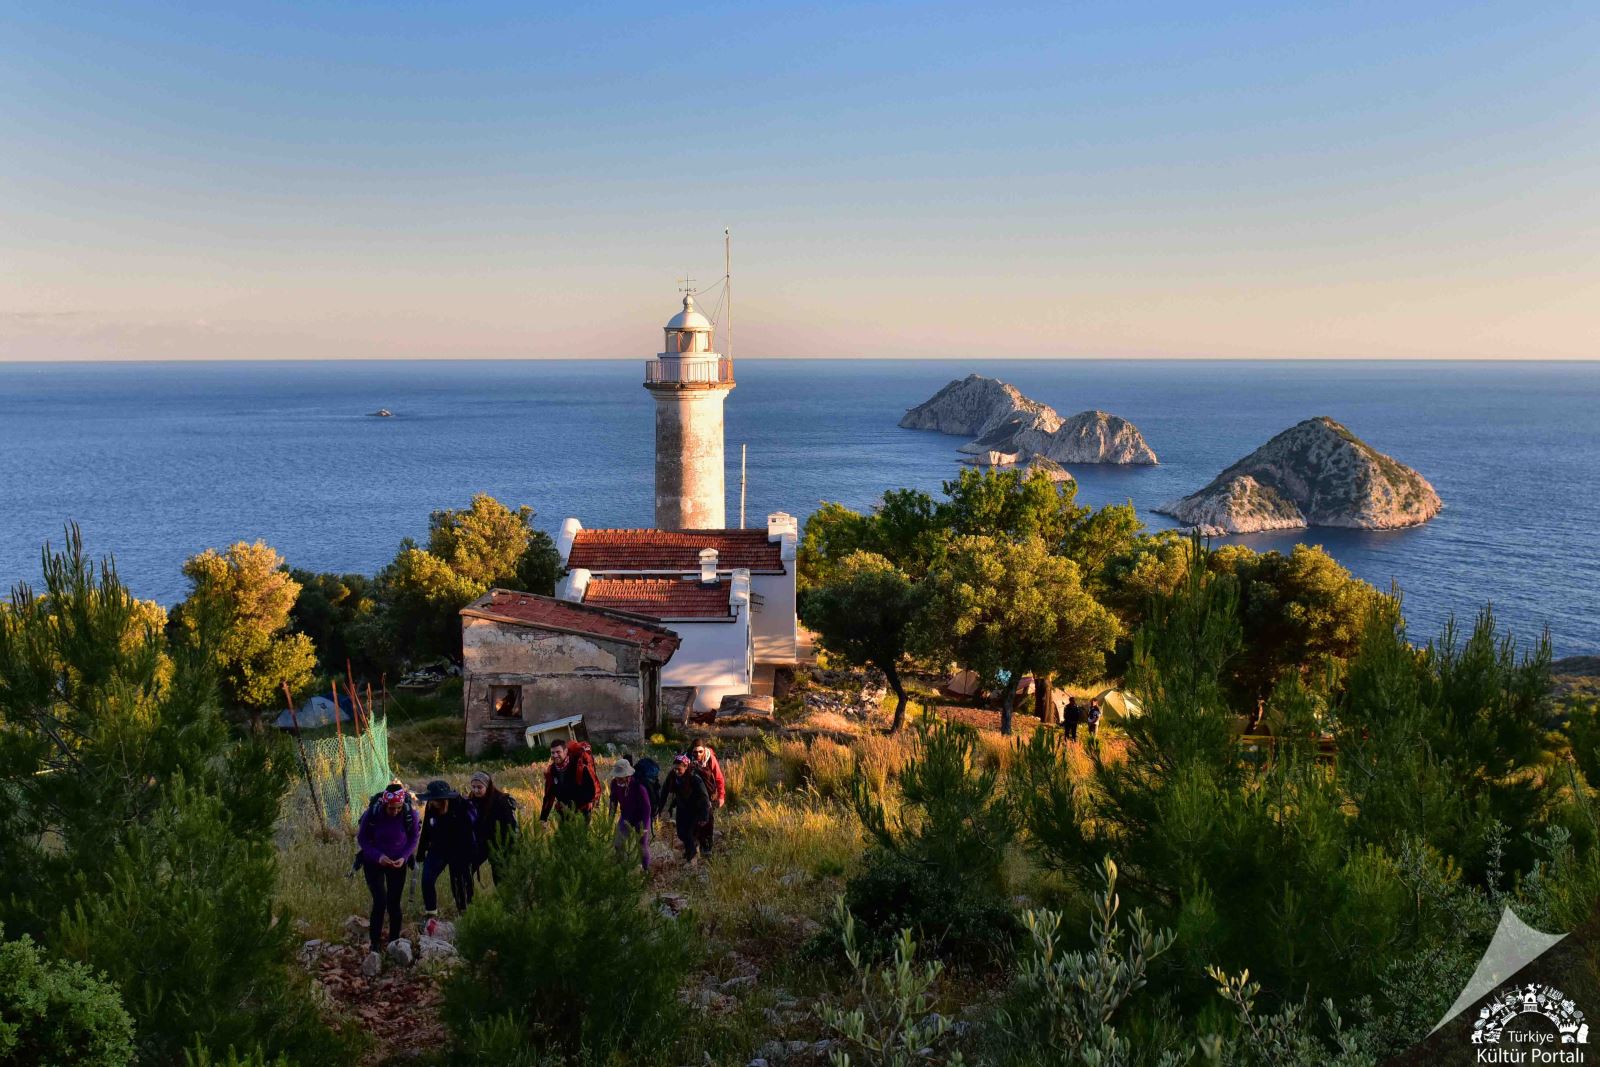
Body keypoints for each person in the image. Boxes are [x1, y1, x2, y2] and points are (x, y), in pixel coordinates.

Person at [356, 785, 420, 956]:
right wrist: (378, 856)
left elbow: (414, 837)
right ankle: (375, 943)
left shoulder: (409, 814)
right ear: (385, 804)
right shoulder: (373, 814)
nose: (395, 811)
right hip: (374, 862)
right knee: (380, 902)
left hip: (398, 863)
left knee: (394, 903)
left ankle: (394, 941)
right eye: (392, 808)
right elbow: (362, 838)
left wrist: (405, 856)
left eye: (398, 808)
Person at [417, 779, 477, 916]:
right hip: (438, 848)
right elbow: (426, 828)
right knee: (427, 879)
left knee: (459, 883)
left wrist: (467, 855)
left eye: (436, 800)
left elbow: (468, 832)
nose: (432, 802)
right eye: (431, 799)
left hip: (459, 850)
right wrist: (421, 851)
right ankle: (431, 912)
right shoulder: (431, 806)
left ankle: (465, 912)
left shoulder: (459, 806)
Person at [466, 770, 518, 881]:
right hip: (483, 841)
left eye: (479, 787)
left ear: (487, 786)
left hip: (501, 844)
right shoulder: (472, 800)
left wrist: (503, 848)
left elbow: (510, 827)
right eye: (473, 787)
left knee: (500, 878)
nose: (475, 790)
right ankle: (466, 896)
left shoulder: (500, 801)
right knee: (466, 868)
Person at [663, 753, 712, 865]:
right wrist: (661, 808)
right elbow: (664, 791)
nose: (676, 772)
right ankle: (691, 850)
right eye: (675, 769)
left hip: (695, 809)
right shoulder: (673, 777)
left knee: (689, 833)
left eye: (679, 769)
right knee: (681, 833)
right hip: (682, 808)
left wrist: (704, 815)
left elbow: (704, 797)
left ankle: (692, 856)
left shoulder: (694, 778)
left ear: (685, 767)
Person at [540, 738, 600, 821]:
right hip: (563, 813)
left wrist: (572, 806)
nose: (555, 755)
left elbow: (591, 792)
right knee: (562, 834)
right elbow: (549, 796)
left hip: (581, 813)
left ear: (565, 751)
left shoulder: (579, 766)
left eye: (558, 752)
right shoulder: (552, 770)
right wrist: (543, 818)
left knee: (579, 834)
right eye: (552, 752)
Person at [609, 759, 654, 871]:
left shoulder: (638, 787)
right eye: (616, 776)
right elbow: (613, 801)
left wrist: (644, 826)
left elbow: (647, 808)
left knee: (642, 845)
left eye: (620, 776)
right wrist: (610, 818)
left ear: (627, 775)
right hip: (626, 816)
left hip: (641, 818)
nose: (618, 779)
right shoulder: (614, 784)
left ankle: (646, 870)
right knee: (618, 843)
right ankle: (623, 868)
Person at [689, 738, 725, 856]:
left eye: (700, 751)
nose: (698, 754)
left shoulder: (711, 759)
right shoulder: (687, 759)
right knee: (693, 821)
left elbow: (719, 778)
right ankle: (694, 847)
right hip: (694, 796)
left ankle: (707, 847)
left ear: (704, 750)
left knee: (708, 821)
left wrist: (721, 796)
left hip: (710, 795)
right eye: (695, 752)